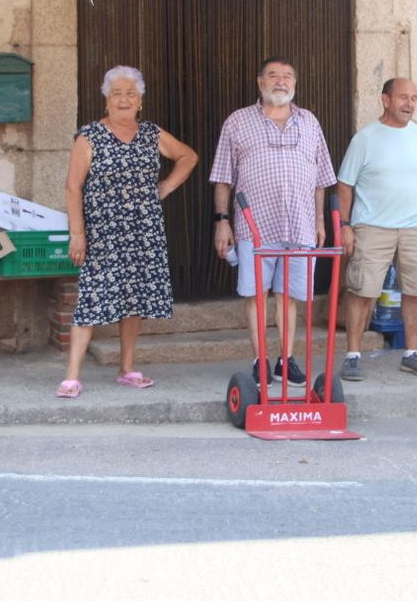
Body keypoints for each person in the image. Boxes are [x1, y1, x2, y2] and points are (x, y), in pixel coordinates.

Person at [60, 66, 198, 398]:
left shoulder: (151, 133)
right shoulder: (89, 136)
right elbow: (73, 187)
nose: (124, 100)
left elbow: (188, 157)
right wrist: (77, 234)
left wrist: (163, 188)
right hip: (103, 232)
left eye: (131, 94)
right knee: (92, 297)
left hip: (143, 229)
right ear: (106, 99)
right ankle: (72, 375)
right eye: (117, 94)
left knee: (135, 298)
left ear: (140, 101)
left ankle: (127, 368)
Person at [210, 57, 336, 387]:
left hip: (300, 225)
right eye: (273, 75)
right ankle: (260, 360)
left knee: (288, 296)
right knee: (256, 294)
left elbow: (321, 179)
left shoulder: (309, 122)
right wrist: (222, 221)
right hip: (255, 225)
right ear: (259, 81)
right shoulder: (237, 121)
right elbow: (223, 178)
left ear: (295, 83)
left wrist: (320, 221)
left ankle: (285, 360)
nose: (281, 81)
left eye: (287, 76)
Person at [337, 77, 417, 380]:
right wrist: (346, 225)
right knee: (363, 291)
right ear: (385, 100)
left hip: (414, 227)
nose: (409, 104)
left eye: (414, 98)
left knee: (416, 290)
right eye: (403, 97)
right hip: (372, 227)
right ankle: (352, 355)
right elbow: (345, 184)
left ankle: (411, 353)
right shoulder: (365, 138)